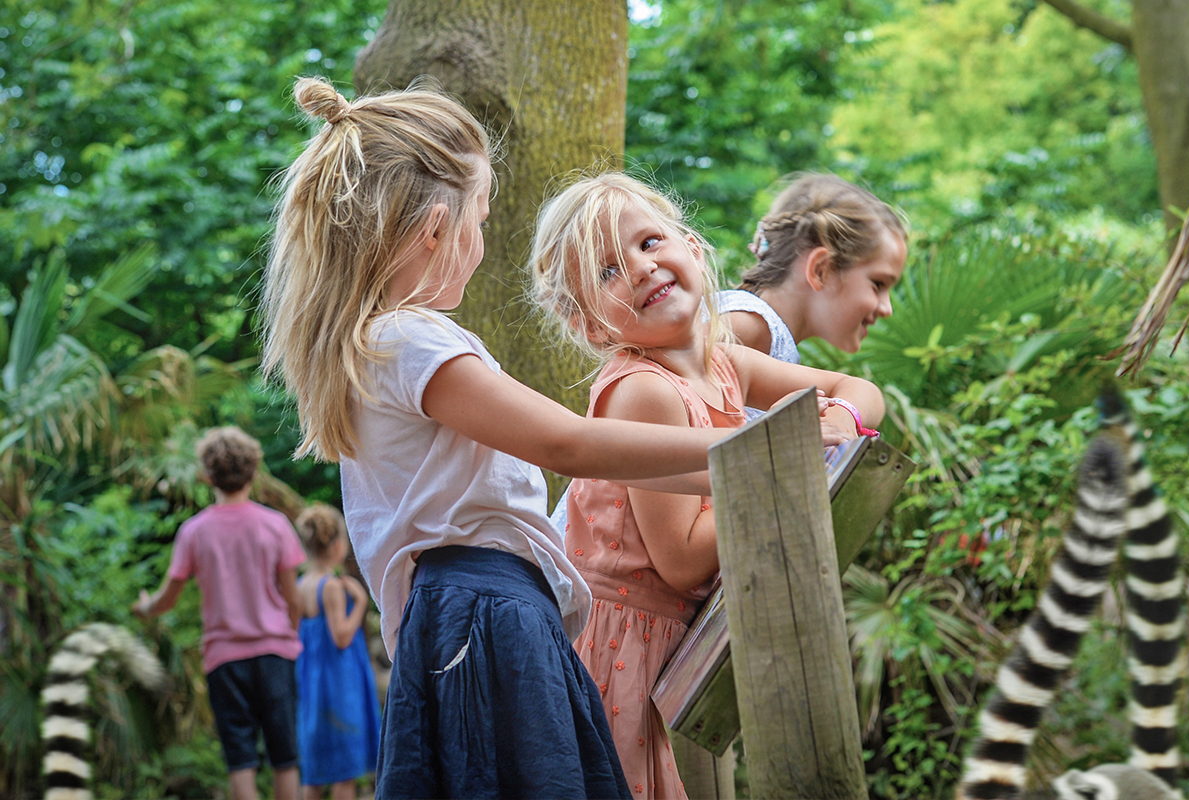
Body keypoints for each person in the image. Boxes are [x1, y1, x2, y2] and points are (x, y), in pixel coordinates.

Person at [259, 78, 846, 800]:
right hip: (486, 608)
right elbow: (569, 444)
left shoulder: (384, 343)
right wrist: (760, 458)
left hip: (482, 608)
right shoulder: (410, 340)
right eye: (481, 216)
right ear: (436, 232)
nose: (481, 241)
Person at [527, 172, 885, 799]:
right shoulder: (642, 391)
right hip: (621, 652)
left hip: (676, 643)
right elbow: (681, 560)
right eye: (608, 271)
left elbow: (862, 391)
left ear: (692, 249)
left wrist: (839, 420)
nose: (638, 269)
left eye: (648, 242)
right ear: (588, 324)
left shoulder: (726, 360)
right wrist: (783, 468)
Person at [132, 427, 304, 800]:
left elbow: (167, 598)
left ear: (206, 476)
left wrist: (146, 607)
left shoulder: (194, 532)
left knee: (240, 762)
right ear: (254, 471)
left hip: (224, 660)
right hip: (276, 654)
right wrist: (288, 634)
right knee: (285, 758)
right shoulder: (275, 525)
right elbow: (293, 600)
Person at [719, 172, 907, 365]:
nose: (887, 308)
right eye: (878, 284)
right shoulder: (746, 329)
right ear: (820, 270)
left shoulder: (765, 334)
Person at [293, 503, 380, 800]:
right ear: (337, 545)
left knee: (315, 770)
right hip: (339, 685)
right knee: (345, 770)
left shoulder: (301, 583)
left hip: (312, 683)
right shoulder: (331, 586)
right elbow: (341, 637)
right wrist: (360, 604)